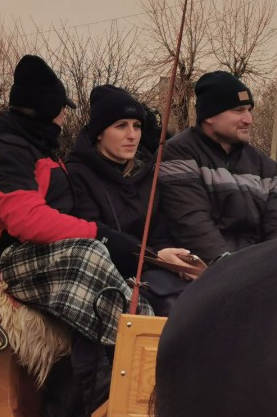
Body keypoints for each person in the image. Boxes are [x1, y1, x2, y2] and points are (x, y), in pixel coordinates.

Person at [0, 55, 152, 417]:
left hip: (41, 253)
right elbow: (27, 222)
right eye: (63, 109)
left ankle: (133, 365)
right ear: (49, 109)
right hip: (10, 260)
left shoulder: (30, 143)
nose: (65, 118)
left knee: (120, 270)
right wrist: (101, 234)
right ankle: (125, 374)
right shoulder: (6, 151)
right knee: (89, 257)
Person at [65, 85, 197, 314]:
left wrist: (176, 259)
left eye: (137, 126)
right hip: (103, 279)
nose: (132, 135)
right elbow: (94, 237)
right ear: (99, 132)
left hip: (151, 272)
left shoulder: (148, 174)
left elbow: (158, 232)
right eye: (121, 126)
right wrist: (155, 257)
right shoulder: (77, 174)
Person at [158, 71, 277, 263]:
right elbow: (191, 222)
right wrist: (231, 269)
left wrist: (276, 265)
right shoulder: (179, 152)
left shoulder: (263, 164)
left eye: (249, 110)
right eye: (238, 111)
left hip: (259, 266)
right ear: (210, 116)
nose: (249, 119)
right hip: (208, 271)